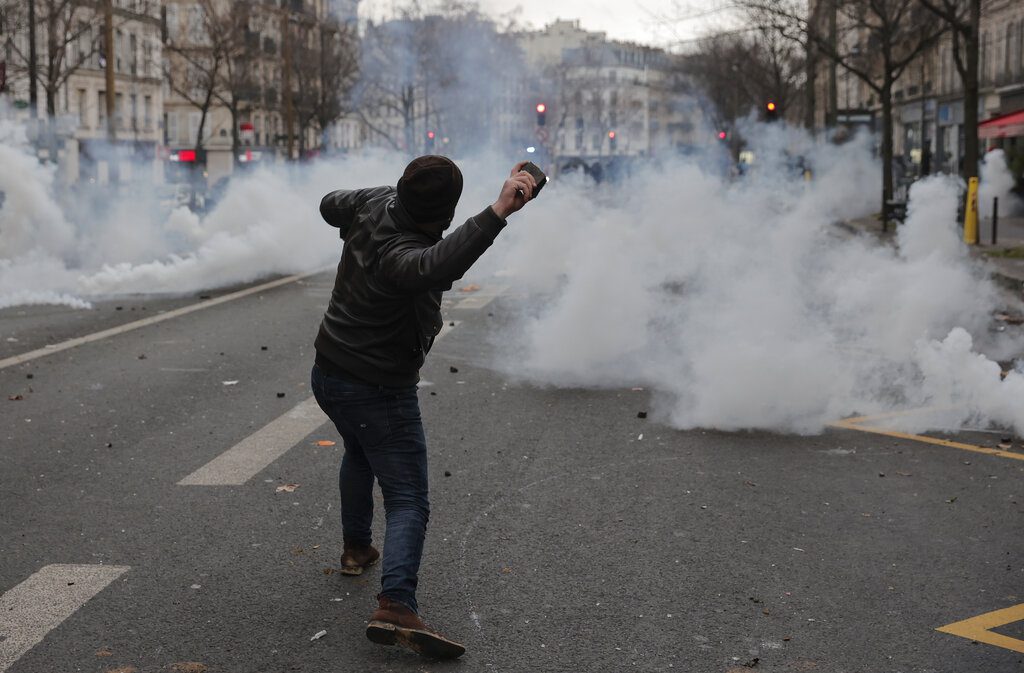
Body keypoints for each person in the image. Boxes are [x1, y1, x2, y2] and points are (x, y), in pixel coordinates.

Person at [310, 156, 538, 659]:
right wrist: (500, 209)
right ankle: (395, 604)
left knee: (359, 450)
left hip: (329, 371)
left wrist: (367, 205)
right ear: (445, 210)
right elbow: (438, 264)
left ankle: (356, 548)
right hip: (375, 386)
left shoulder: (376, 201)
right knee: (409, 496)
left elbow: (330, 205)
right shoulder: (404, 254)